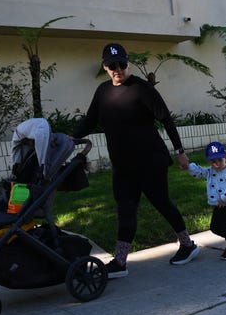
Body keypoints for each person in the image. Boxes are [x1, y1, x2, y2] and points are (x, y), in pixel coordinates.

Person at [72, 42, 199, 277]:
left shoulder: (142, 89)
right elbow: (90, 121)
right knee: (125, 210)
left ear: (127, 62)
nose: (117, 69)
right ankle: (120, 262)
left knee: (161, 202)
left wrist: (180, 151)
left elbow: (166, 120)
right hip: (123, 165)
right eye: (112, 66)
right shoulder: (102, 91)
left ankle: (188, 245)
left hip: (151, 161)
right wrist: (70, 138)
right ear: (105, 67)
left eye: (121, 64)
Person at [187, 141, 226, 260]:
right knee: (214, 228)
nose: (216, 164)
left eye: (219, 160)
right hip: (217, 206)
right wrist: (188, 166)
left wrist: (224, 196)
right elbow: (200, 172)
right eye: (213, 161)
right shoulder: (210, 171)